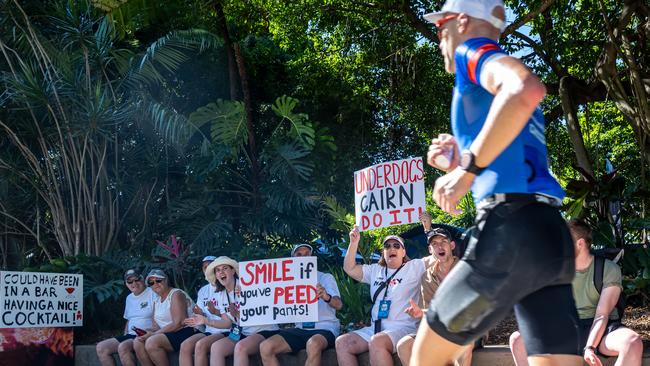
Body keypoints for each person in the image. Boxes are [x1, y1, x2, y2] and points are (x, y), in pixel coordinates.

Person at [412, 0, 583, 365]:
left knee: (425, 357)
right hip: (549, 235)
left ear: (460, 21)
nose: (439, 36)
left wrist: (467, 168)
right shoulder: (488, 86)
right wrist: (460, 158)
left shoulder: (472, 51)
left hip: (510, 231)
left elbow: (524, 89)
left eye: (440, 26)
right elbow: (511, 146)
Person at [510, 220, 644, 366]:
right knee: (518, 340)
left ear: (580, 244)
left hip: (603, 330)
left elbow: (602, 315)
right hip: (569, 329)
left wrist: (590, 347)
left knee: (632, 342)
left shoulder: (607, 269)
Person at [336, 226, 426, 366]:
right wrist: (353, 243)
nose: (392, 248)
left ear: (403, 252)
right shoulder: (375, 270)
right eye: (387, 246)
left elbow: (438, 256)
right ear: (383, 252)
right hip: (376, 328)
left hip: (403, 327)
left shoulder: (414, 266)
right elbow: (350, 268)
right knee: (342, 343)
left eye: (397, 246)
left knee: (377, 341)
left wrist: (427, 228)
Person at [396, 228, 472, 366]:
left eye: (444, 241)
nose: (440, 246)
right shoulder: (427, 277)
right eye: (435, 244)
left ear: (452, 245)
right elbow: (430, 313)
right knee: (404, 345)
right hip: (439, 330)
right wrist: (421, 313)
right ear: (430, 250)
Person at [184, 256, 279, 366]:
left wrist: (247, 295)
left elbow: (268, 299)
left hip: (262, 330)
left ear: (233, 270)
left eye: (225, 268)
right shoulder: (221, 294)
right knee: (216, 347)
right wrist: (205, 321)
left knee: (240, 347)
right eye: (218, 270)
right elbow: (227, 322)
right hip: (240, 331)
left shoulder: (247, 285)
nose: (221, 272)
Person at [259, 244, 343, 366]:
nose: (304, 257)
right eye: (299, 254)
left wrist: (326, 296)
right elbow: (264, 298)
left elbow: (339, 305)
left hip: (325, 327)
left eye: (307, 254)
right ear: (292, 259)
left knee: (313, 344)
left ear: (312, 257)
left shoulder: (325, 277)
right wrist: (243, 293)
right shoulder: (285, 281)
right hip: (300, 329)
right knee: (265, 347)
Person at [134, 269, 196, 366]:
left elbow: (179, 323)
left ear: (166, 280)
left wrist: (153, 334)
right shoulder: (157, 301)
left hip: (188, 330)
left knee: (152, 342)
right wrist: (146, 332)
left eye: (158, 280)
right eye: (151, 283)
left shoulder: (176, 294)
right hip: (169, 333)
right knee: (137, 342)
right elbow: (156, 326)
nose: (155, 284)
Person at [96, 269, 157, 366]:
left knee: (123, 347)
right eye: (130, 281)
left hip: (146, 334)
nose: (134, 283)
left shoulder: (153, 293)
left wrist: (152, 332)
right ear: (126, 284)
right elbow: (129, 320)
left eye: (137, 280)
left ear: (142, 279)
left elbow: (159, 316)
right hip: (131, 335)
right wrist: (125, 335)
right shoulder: (129, 298)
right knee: (101, 347)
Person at [179, 256, 229, 366]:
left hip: (225, 331)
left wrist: (215, 312)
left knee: (200, 345)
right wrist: (194, 314)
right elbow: (199, 313)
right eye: (204, 267)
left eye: (210, 266)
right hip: (209, 330)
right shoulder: (203, 290)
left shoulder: (227, 286)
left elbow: (232, 317)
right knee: (185, 345)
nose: (207, 269)